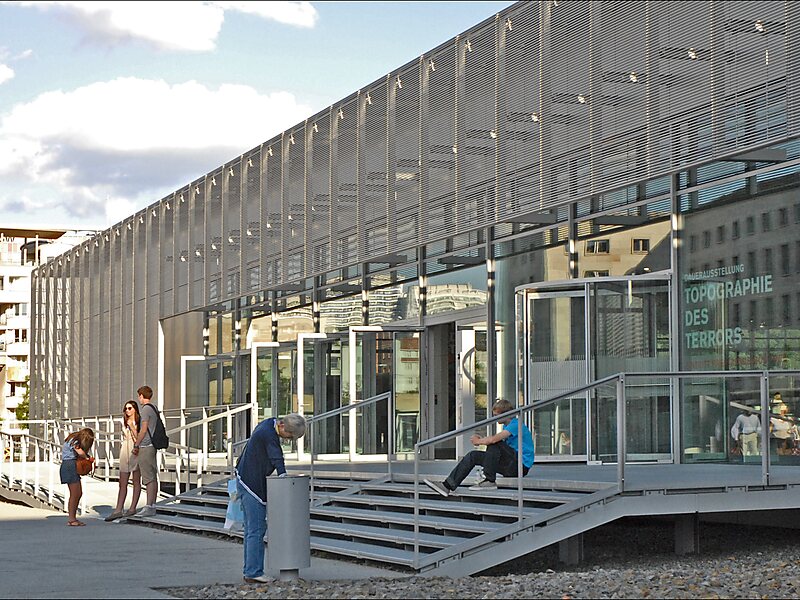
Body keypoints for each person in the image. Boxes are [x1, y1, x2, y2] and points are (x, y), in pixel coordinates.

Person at [235, 413, 306, 584]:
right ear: (282, 427)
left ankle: (250, 570)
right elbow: (276, 456)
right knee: (257, 529)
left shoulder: (268, 424)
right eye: (290, 436)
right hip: (252, 485)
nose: (289, 440)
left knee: (252, 530)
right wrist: (283, 476)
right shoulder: (268, 434)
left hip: (244, 480)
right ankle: (253, 572)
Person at [424, 399, 534, 496]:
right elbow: (496, 444)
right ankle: (447, 485)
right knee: (473, 455)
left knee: (493, 442)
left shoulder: (516, 424)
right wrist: (482, 440)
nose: (494, 419)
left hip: (520, 466)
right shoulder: (507, 426)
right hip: (511, 465)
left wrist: (480, 441)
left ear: (505, 414)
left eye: (496, 416)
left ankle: (490, 480)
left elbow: (494, 440)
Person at [105, 400, 143, 521]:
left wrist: (132, 427)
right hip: (125, 449)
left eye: (130, 408)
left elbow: (139, 438)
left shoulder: (139, 421)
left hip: (136, 449)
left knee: (136, 480)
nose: (127, 411)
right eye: (126, 409)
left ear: (135, 409)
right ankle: (118, 509)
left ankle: (132, 508)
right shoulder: (124, 422)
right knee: (122, 482)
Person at [132, 385, 159, 517]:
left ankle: (149, 506)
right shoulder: (154, 408)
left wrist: (136, 444)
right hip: (153, 445)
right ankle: (152, 504)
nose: (139, 398)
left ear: (142, 396)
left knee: (148, 477)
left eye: (139, 396)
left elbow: (143, 429)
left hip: (146, 445)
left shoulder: (145, 410)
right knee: (153, 476)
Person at [60, 427, 95, 527]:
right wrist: (87, 458)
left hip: (69, 465)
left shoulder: (73, 437)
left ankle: (73, 518)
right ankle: (71, 519)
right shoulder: (76, 441)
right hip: (69, 465)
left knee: (78, 493)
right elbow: (79, 451)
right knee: (75, 494)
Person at [770, 394, 795, 458]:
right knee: (780, 455)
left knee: (788, 455)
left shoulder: (789, 419)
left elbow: (793, 429)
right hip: (777, 440)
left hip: (787, 441)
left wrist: (791, 431)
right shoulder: (773, 419)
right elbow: (769, 430)